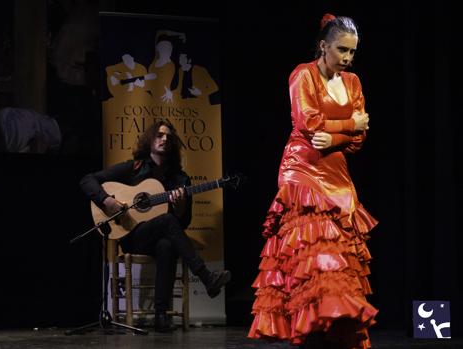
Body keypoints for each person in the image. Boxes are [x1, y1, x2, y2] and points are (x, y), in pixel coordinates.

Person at [247, 14, 378, 349]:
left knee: (338, 257)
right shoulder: (302, 74)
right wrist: (351, 123)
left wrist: (338, 136)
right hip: (302, 167)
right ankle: (309, 326)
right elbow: (309, 124)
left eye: (352, 51)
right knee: (315, 248)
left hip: (335, 170)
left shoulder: (353, 82)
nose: (347, 58)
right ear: (323, 45)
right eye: (341, 50)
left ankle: (332, 325)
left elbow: (359, 141)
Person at [80, 120, 231, 332]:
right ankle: (207, 277)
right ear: (150, 140)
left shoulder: (181, 179)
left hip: (158, 237)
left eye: (168, 137)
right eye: (159, 135)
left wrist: (179, 208)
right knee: (167, 223)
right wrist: (107, 201)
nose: (164, 139)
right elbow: (87, 180)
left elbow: (183, 223)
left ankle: (161, 316)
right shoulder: (134, 168)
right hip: (132, 236)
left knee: (167, 245)